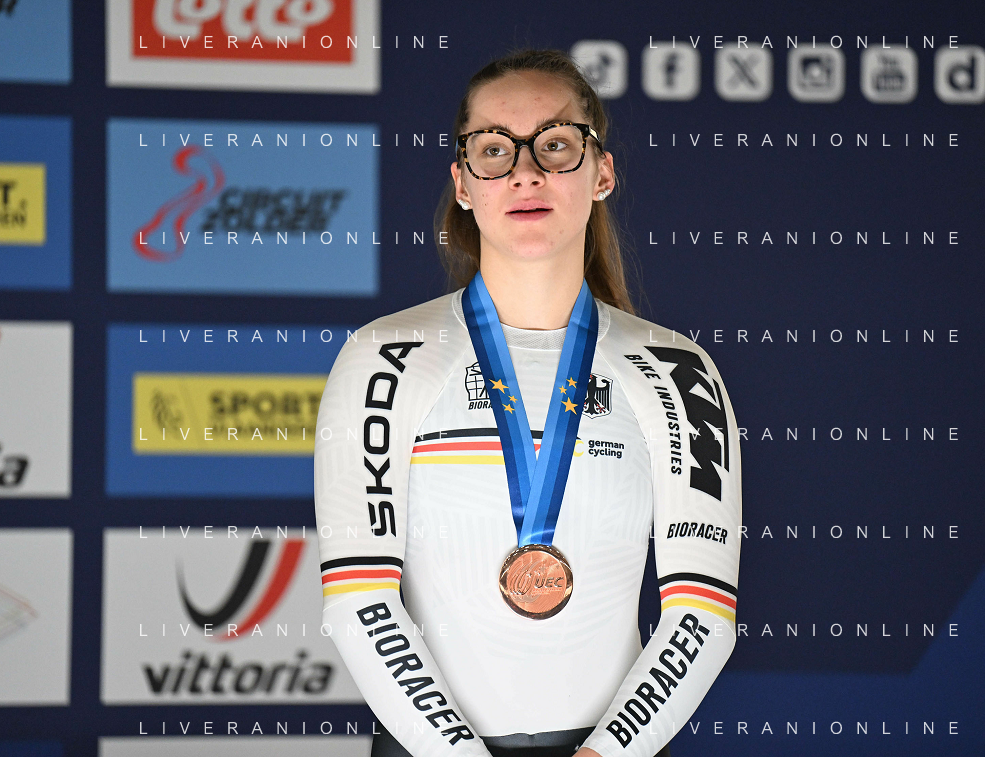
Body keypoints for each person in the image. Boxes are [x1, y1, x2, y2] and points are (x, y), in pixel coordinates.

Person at [314, 48, 741, 757]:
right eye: (493, 149)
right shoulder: (383, 357)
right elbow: (360, 602)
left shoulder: (675, 370)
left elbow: (701, 615)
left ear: (601, 172)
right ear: (462, 182)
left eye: (555, 144)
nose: (525, 172)